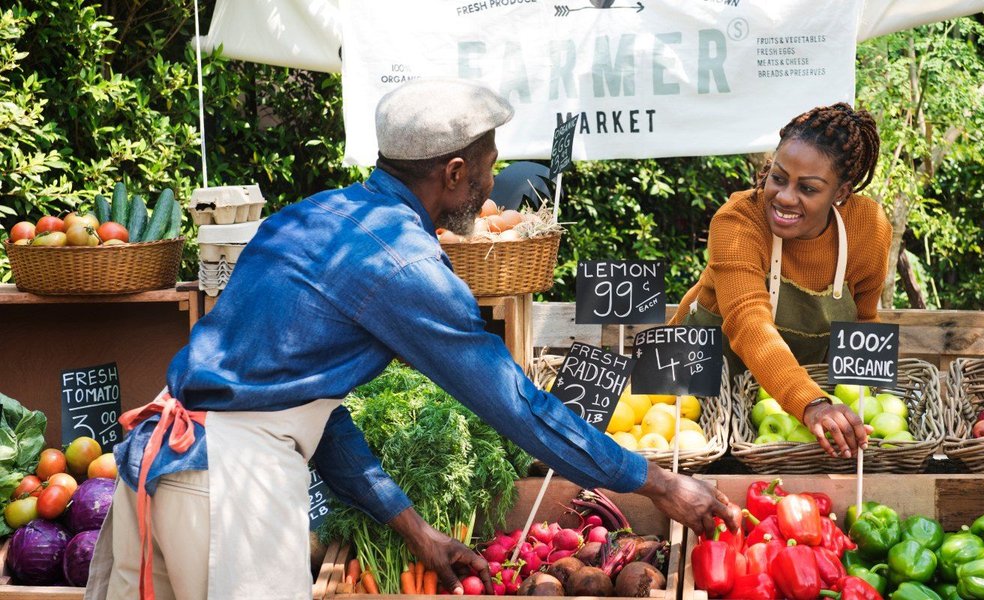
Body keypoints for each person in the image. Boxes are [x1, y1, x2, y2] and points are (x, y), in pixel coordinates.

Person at [85, 78, 738, 600]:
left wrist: (414, 528)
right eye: (487, 168)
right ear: (453, 173)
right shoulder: (409, 268)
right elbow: (518, 407)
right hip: (228, 489)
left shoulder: (310, 218)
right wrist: (655, 482)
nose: (490, 183)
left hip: (157, 466)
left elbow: (312, 413)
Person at [669, 103, 891, 460]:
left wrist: (870, 409)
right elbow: (748, 321)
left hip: (781, 407)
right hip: (692, 394)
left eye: (808, 188)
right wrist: (812, 402)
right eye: (778, 177)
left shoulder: (869, 227)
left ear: (841, 192)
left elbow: (863, 322)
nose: (785, 197)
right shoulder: (738, 220)